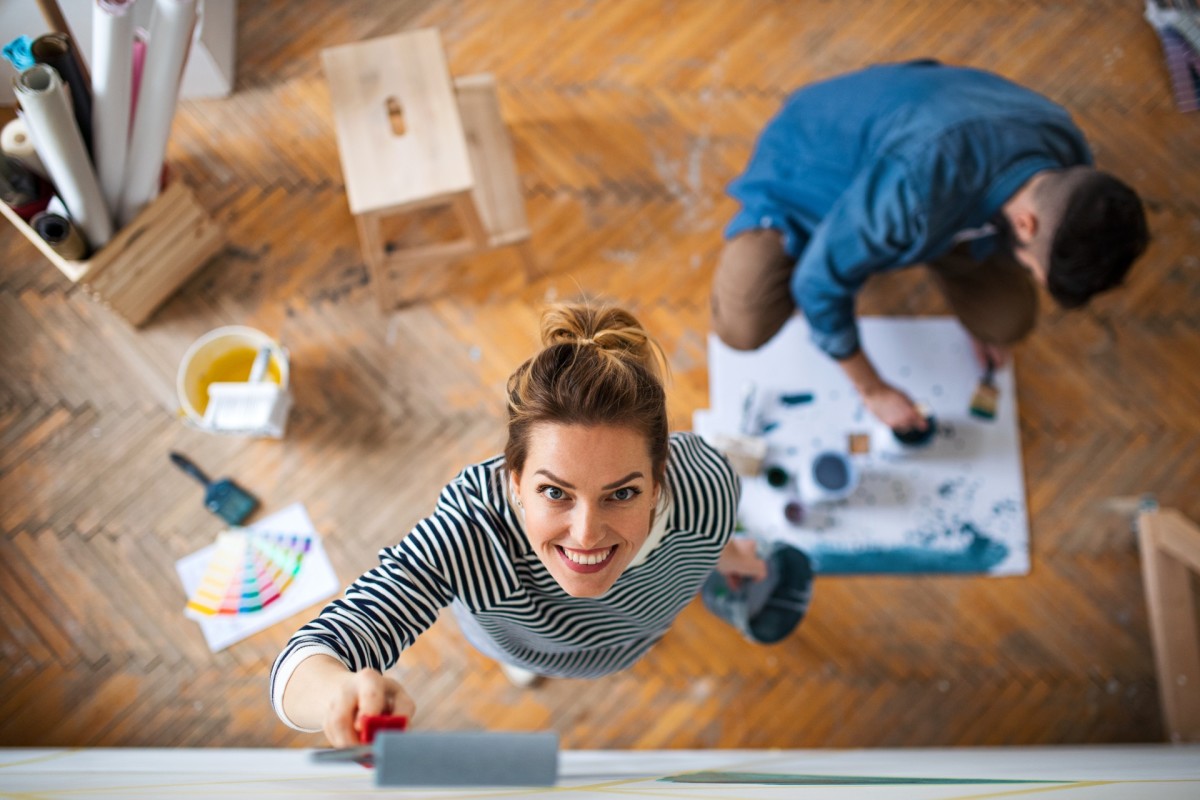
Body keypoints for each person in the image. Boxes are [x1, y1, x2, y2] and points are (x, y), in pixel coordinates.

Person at [270, 302, 772, 746]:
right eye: (555, 492)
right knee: (523, 658)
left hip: (633, 636)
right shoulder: (470, 532)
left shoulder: (708, 486)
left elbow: (709, 532)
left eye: (622, 493)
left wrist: (723, 555)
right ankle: (523, 663)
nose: (586, 535)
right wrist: (339, 691)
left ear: (660, 480)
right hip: (523, 640)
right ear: (514, 480)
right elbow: (307, 656)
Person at [711, 60, 1149, 432]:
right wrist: (873, 390)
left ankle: (925, 242)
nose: (1034, 275)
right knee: (743, 324)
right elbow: (817, 283)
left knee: (1006, 322)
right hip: (810, 172)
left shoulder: (1068, 159)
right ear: (1026, 224)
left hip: (934, 182)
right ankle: (791, 233)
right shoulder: (917, 188)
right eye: (1037, 267)